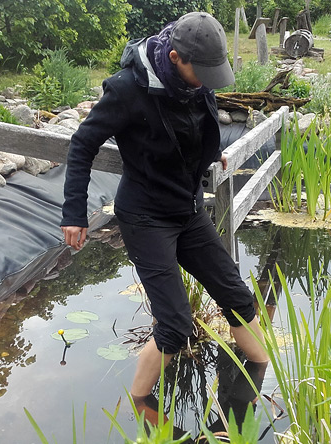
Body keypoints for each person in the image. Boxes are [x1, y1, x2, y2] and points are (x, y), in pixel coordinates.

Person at [60, 11, 268, 415]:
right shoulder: (126, 90)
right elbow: (82, 145)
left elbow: (198, 121)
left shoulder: (194, 84)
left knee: (238, 298)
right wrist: (74, 213)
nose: (208, 80)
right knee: (174, 325)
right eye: (202, 71)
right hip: (146, 217)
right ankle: (141, 410)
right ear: (174, 57)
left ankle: (264, 377)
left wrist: (211, 153)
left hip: (188, 210)